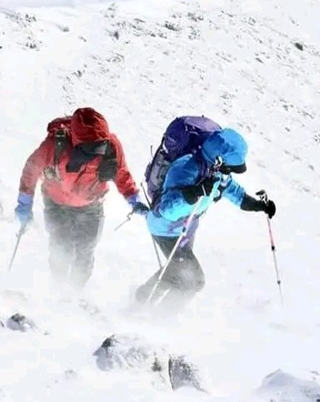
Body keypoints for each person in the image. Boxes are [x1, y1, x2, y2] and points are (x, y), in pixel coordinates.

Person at [134, 126, 276, 311]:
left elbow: (234, 192)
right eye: (229, 167)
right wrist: (193, 193)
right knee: (194, 281)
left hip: (185, 230)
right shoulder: (185, 168)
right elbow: (167, 210)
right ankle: (161, 316)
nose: (229, 172)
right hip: (166, 230)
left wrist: (258, 205)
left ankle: (142, 299)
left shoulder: (217, 172)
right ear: (219, 159)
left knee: (176, 271)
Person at [14, 107, 148, 287]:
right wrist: (24, 202)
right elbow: (32, 169)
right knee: (61, 248)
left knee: (86, 249)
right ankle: (58, 288)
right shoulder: (55, 144)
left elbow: (121, 173)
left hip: (91, 205)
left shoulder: (111, 146)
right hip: (56, 203)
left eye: (99, 147)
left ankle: (75, 291)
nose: (95, 154)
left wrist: (133, 199)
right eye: (89, 149)